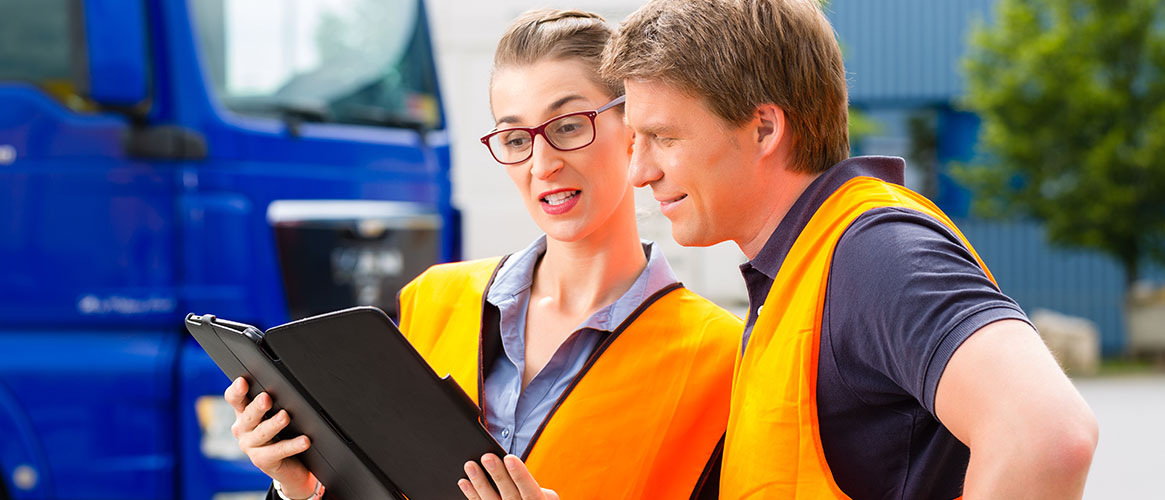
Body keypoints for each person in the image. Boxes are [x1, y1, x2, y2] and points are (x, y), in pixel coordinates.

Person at [478, 1, 1100, 499]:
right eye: (635, 138)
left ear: (764, 129)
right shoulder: (797, 276)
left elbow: (1048, 435)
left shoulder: (875, 254)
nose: (639, 170)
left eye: (662, 137)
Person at [224, 9, 742, 500]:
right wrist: (303, 486)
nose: (543, 164)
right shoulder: (435, 299)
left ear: (632, 130)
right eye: (516, 138)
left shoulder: (720, 360)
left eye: (567, 127)